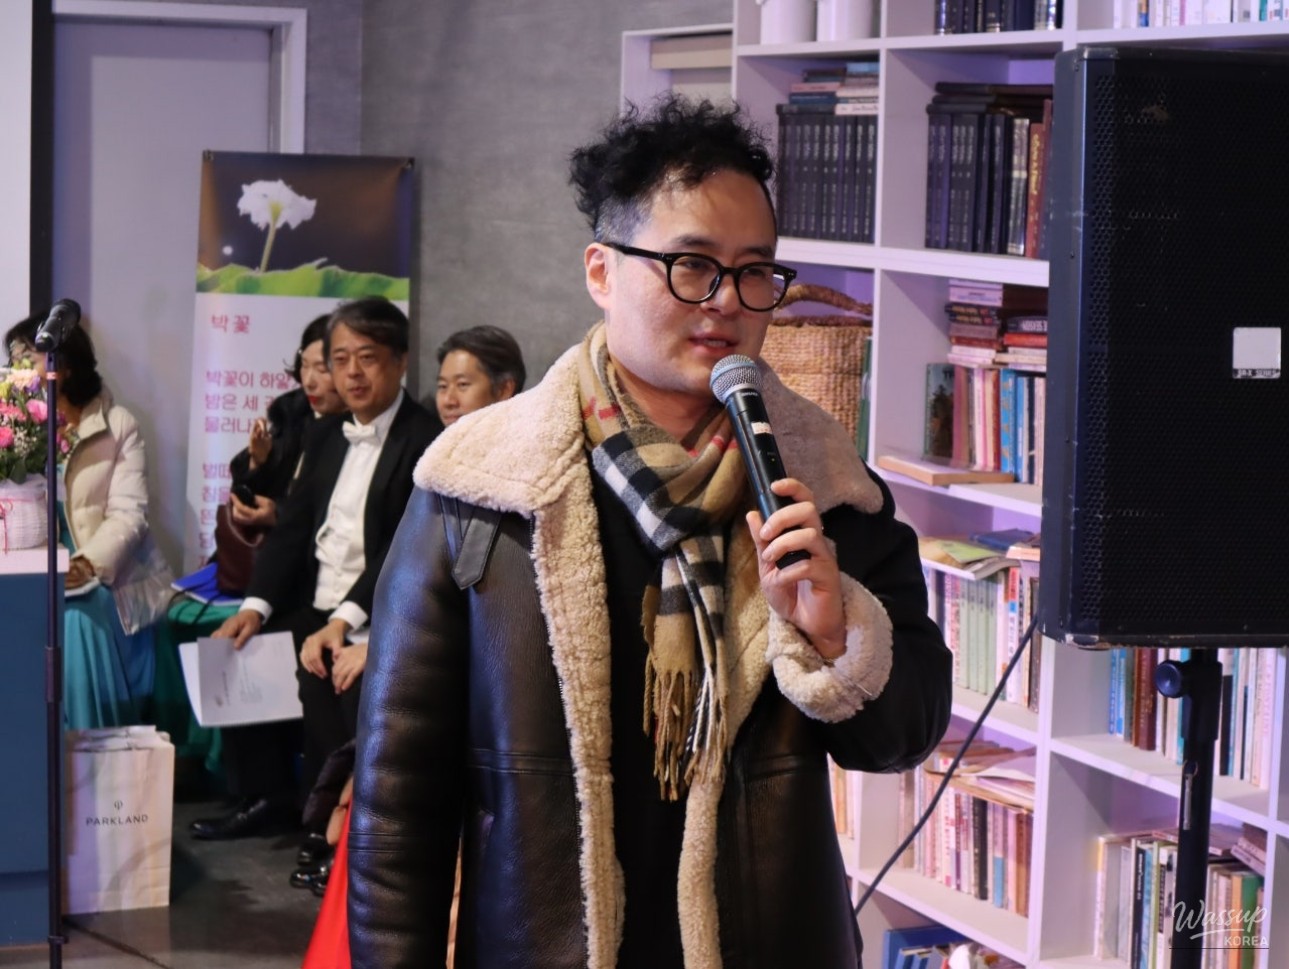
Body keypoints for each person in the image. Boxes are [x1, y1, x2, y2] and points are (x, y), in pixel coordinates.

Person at [347, 95, 952, 968]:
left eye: (753, 272)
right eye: (691, 266)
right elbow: (397, 801)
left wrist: (836, 633)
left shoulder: (819, 483)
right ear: (601, 270)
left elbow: (902, 735)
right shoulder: (482, 484)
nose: (725, 303)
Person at [190, 297, 440, 853]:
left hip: (380, 610)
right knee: (238, 647)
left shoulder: (424, 441)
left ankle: (343, 835)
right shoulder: (325, 435)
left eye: (367, 358)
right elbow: (292, 530)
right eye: (340, 358)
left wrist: (347, 619)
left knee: (334, 676)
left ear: (400, 362)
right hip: (317, 600)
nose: (351, 372)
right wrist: (254, 606)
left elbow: (405, 549)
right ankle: (266, 798)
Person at [5, 314, 174, 729]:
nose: (20, 367)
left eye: (31, 356)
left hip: (106, 583)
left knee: (74, 614)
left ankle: (87, 755)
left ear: (66, 363)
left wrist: (83, 566)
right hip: (31, 575)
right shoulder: (14, 425)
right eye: (15, 358)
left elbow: (129, 515)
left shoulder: (119, 426)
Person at [227, 313, 347, 531]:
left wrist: (279, 514)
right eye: (304, 365)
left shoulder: (362, 430)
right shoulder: (292, 416)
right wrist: (258, 461)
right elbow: (248, 490)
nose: (309, 381)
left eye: (321, 370)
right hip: (268, 555)